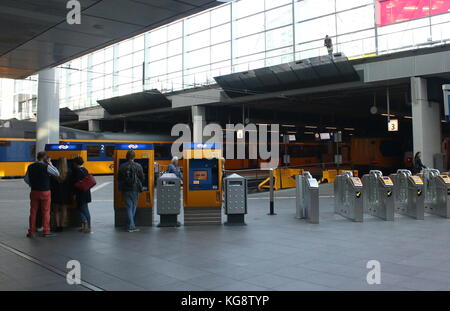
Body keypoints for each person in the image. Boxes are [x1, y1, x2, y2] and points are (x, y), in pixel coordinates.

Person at [24, 151, 60, 238]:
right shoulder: (46, 166)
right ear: (45, 159)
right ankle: (46, 231)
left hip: (34, 191)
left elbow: (26, 179)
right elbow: (57, 173)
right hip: (45, 192)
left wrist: (32, 184)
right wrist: (50, 164)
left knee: (33, 212)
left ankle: (31, 231)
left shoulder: (30, 166)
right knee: (46, 212)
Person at [118, 150, 145, 233]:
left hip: (125, 189)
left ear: (126, 157)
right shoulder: (138, 165)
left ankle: (130, 224)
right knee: (133, 207)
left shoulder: (122, 166)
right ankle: (131, 227)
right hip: (134, 189)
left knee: (129, 207)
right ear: (134, 157)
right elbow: (142, 177)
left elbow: (118, 178)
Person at [50, 157, 72, 232]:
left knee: (56, 210)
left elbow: (51, 184)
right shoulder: (69, 172)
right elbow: (70, 185)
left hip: (56, 193)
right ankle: (62, 226)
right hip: (65, 194)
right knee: (64, 210)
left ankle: (57, 225)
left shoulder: (54, 173)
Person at [72, 157, 92, 233]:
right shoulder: (85, 170)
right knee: (84, 208)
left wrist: (73, 194)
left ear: (76, 163)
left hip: (80, 193)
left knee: (82, 209)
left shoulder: (77, 171)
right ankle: (86, 226)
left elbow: (76, 184)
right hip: (86, 192)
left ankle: (86, 225)